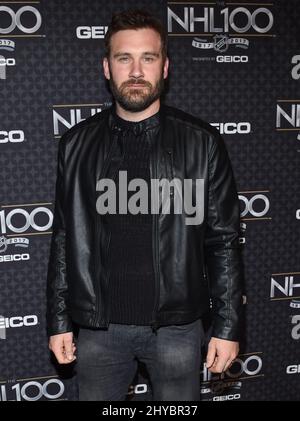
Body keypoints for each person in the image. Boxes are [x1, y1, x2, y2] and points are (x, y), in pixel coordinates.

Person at [46, 8, 244, 401]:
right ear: (107, 67)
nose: (136, 71)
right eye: (124, 58)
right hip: (99, 331)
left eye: (148, 58)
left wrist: (227, 326)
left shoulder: (201, 143)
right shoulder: (76, 145)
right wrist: (58, 320)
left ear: (165, 67)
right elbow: (65, 238)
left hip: (177, 328)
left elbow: (223, 241)